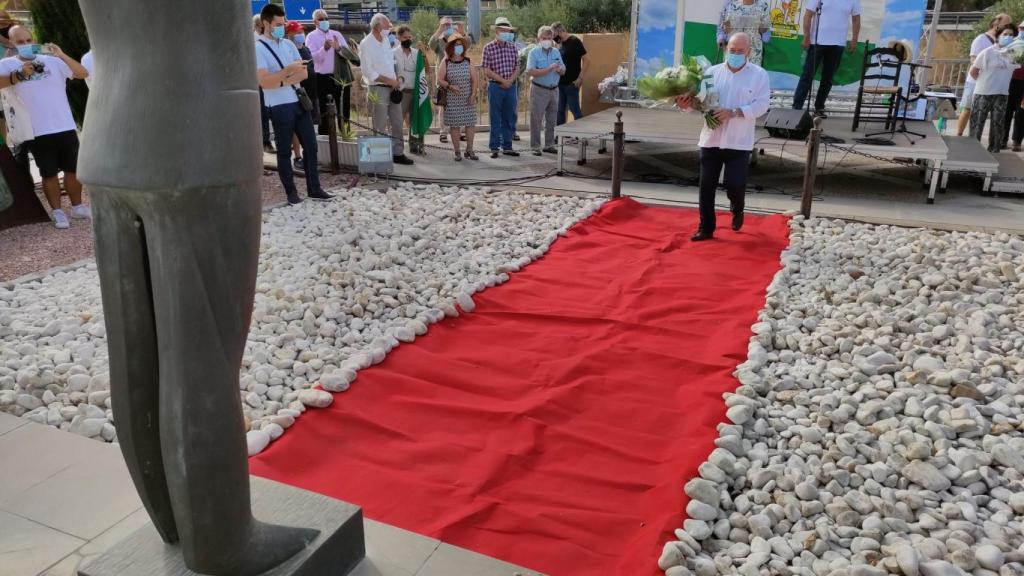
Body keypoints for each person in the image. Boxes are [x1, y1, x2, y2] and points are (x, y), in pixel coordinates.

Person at [676, 33, 769, 242]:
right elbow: (700, 102)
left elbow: (762, 105)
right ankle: (706, 227)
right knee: (706, 185)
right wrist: (685, 105)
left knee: (734, 184)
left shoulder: (759, 75)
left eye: (740, 51)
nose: (735, 54)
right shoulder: (711, 73)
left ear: (749, 52)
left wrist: (734, 112)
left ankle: (737, 208)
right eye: (732, 50)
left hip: (739, 141)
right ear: (726, 49)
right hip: (711, 138)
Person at [0, 26, 90, 229]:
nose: (26, 44)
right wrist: (19, 75)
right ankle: (57, 212)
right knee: (48, 173)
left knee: (73, 169)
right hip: (35, 129)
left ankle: (77, 207)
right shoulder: (7, 64)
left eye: (28, 40)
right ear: (12, 43)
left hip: (64, 124)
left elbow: (82, 73)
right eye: (20, 42)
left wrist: (61, 54)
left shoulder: (52, 61)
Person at [255, 3, 330, 205]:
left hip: (298, 101)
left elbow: (304, 72)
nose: (282, 26)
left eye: (283, 22)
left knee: (311, 146)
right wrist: (288, 72)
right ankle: (291, 193)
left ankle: (315, 188)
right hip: (278, 106)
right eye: (278, 23)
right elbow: (264, 82)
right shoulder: (258, 48)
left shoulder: (288, 45)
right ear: (266, 23)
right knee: (284, 151)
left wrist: (281, 79)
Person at [359, 13, 414, 165]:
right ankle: (378, 160)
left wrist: (397, 79)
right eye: (387, 26)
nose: (389, 29)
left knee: (397, 122)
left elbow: (390, 63)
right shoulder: (366, 44)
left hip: (393, 88)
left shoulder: (385, 41)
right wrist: (389, 80)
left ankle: (398, 153)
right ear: (377, 26)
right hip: (378, 88)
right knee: (380, 125)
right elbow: (368, 72)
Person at [791, 0, 860, 118]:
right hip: (817, 42)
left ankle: (819, 107)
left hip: (838, 44)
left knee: (828, 78)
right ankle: (796, 107)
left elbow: (856, 19)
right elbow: (808, 14)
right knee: (807, 76)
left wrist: (854, 40)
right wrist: (806, 36)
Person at [957, 13, 1011, 137]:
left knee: (985, 114)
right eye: (1006, 23)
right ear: (996, 24)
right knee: (967, 109)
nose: (1009, 26)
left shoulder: (1003, 42)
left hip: (993, 85)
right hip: (975, 81)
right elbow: (973, 59)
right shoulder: (981, 39)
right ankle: (959, 135)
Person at [969, 25, 1019, 154]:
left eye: (1011, 35)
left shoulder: (1013, 54)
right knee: (977, 124)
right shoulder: (987, 52)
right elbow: (973, 71)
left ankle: (994, 151)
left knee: (998, 125)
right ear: (998, 36)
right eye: (1005, 34)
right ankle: (972, 151)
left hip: (1002, 94)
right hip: (983, 93)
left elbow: (1017, 67)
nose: (1008, 37)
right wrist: (983, 83)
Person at [307, 9, 351, 132]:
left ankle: (345, 137)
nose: (325, 21)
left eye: (326, 18)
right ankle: (326, 141)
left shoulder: (337, 34)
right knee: (325, 110)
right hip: (323, 78)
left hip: (340, 77)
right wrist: (324, 49)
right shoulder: (311, 37)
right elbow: (312, 58)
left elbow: (348, 54)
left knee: (344, 109)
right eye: (321, 19)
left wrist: (338, 48)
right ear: (315, 21)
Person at [483, 17, 521, 158]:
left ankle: (507, 146)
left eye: (509, 31)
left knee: (509, 117)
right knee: (495, 117)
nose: (507, 33)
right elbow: (487, 70)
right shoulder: (488, 48)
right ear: (497, 31)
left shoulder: (513, 47)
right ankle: (494, 147)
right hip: (495, 87)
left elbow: (517, 67)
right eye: (504, 30)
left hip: (511, 87)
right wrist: (503, 81)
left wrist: (509, 81)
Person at [438, 34, 479, 161]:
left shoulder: (468, 61)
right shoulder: (445, 62)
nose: (459, 47)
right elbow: (439, 80)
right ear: (451, 47)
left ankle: (469, 150)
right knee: (454, 126)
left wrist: (473, 94)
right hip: (452, 100)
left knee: (470, 125)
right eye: (456, 45)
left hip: (468, 99)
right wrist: (450, 86)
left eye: (461, 45)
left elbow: (474, 80)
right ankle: (457, 152)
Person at [430, 17, 469, 144]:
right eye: (445, 24)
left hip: (458, 74)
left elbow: (468, 44)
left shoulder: (457, 38)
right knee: (443, 105)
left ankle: (461, 131)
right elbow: (431, 45)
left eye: (449, 24)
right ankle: (443, 132)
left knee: (461, 103)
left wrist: (462, 31)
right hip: (443, 76)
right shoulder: (439, 39)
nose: (448, 26)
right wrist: (439, 29)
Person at [285, 21, 318, 173]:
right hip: (297, 92)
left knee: (309, 127)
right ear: (290, 34)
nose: (300, 35)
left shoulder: (305, 49)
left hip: (310, 93)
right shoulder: (287, 49)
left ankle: (308, 158)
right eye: (297, 32)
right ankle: (297, 156)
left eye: (301, 32)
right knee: (295, 128)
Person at [527, 26, 564, 156]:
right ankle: (535, 146)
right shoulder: (534, 53)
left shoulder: (556, 52)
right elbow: (530, 71)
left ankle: (549, 145)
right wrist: (548, 69)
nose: (547, 40)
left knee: (552, 119)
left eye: (549, 38)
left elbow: (564, 69)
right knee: (536, 119)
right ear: (539, 39)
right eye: (544, 38)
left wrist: (560, 70)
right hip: (539, 89)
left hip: (554, 90)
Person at [393, 25, 423, 153]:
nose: (408, 39)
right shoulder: (393, 53)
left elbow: (425, 70)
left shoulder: (416, 53)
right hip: (401, 92)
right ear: (399, 37)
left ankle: (415, 145)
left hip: (415, 91)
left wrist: (424, 55)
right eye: (405, 37)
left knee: (415, 120)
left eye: (410, 37)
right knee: (398, 121)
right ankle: (397, 148)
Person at [552, 22, 588, 126]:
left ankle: (581, 135)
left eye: (554, 35)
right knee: (560, 110)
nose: (554, 37)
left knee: (574, 109)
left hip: (572, 83)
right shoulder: (559, 44)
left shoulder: (574, 41)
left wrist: (580, 78)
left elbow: (587, 60)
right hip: (560, 83)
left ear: (559, 31)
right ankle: (560, 133)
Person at [721, 0, 771, 66]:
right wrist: (725, 26)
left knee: (752, 74)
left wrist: (761, 25)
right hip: (735, 49)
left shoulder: (763, 6)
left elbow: (764, 30)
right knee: (731, 72)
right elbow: (727, 29)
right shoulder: (732, 4)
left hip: (753, 50)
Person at [254, 14, 274, 154]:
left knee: (271, 111)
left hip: (271, 80)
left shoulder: (269, 39)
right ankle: (265, 142)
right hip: (260, 82)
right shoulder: (254, 41)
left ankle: (271, 141)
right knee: (264, 113)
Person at [1011, 21, 1024, 151]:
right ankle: (1001, 139)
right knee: (1007, 110)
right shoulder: (1012, 42)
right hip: (1011, 80)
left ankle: (1017, 141)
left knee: (1021, 112)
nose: (1022, 30)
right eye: (1021, 28)